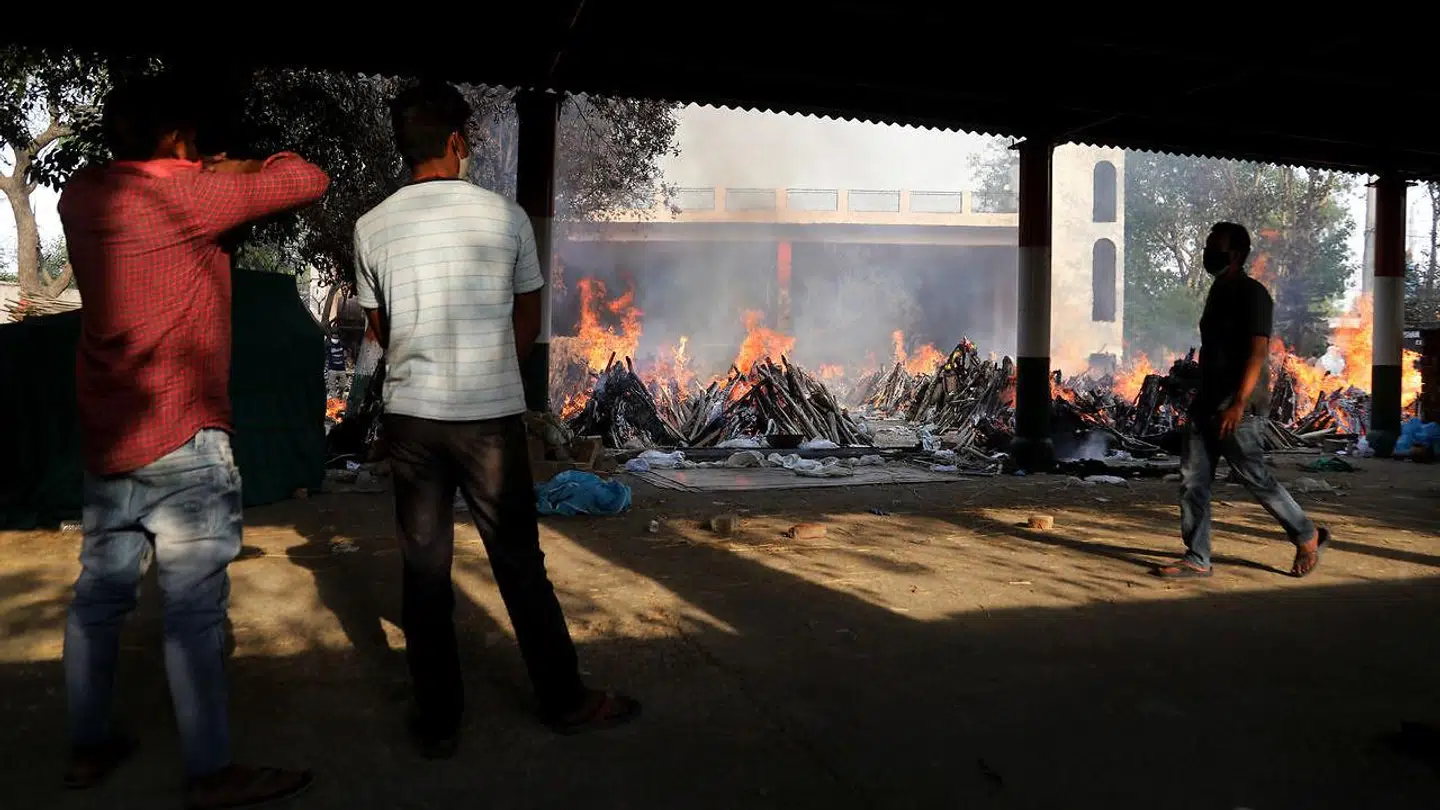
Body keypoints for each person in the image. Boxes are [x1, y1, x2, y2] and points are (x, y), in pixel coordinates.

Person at [58, 74, 330, 808]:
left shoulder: (81, 198)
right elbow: (308, 176)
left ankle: (86, 751)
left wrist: (189, 163)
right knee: (194, 613)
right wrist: (218, 167)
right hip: (184, 433)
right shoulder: (190, 196)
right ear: (180, 138)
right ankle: (210, 771)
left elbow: (106, 167)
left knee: (98, 600)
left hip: (109, 434)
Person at [352, 81, 640, 759]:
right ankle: (564, 701)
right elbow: (529, 316)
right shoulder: (505, 217)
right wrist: (489, 371)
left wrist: (423, 367)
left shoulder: (371, 226)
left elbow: (380, 328)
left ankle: (439, 721)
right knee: (518, 563)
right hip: (488, 422)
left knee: (423, 570)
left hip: (413, 420)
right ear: (456, 142)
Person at [1155, 222, 1330, 579]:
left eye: (1212, 244)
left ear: (1234, 253)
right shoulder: (1218, 290)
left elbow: (1257, 353)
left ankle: (1306, 534)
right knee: (1193, 480)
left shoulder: (1253, 295)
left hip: (1238, 407)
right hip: (1207, 402)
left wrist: (1238, 403)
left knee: (1255, 477)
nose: (1206, 250)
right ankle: (1197, 558)